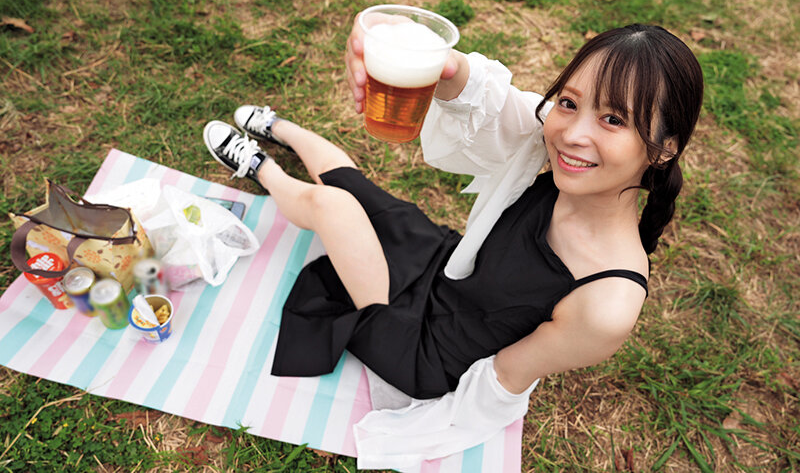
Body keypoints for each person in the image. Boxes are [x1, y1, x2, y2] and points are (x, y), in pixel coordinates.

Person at [203, 22, 703, 404]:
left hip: (423, 350)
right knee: (355, 188)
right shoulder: (557, 144)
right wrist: (430, 58)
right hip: (441, 269)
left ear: (664, 148)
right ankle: (279, 128)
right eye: (569, 103)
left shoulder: (607, 301)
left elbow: (500, 382)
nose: (572, 134)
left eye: (613, 119)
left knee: (335, 207)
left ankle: (260, 167)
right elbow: (486, 99)